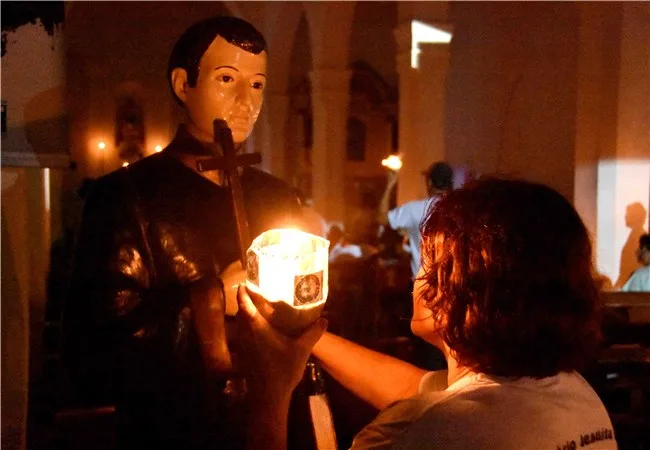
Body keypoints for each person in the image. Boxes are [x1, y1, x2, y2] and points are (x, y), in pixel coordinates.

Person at [62, 16, 301, 450]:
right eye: (227, 78)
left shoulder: (277, 197)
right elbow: (93, 350)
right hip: (173, 428)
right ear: (182, 84)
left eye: (258, 84)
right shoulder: (127, 196)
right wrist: (210, 300)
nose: (245, 101)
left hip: (276, 422)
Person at [236, 177, 617, 449]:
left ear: (456, 290)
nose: (417, 280)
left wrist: (271, 392)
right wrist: (306, 336)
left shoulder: (424, 433)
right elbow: (419, 390)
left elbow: (433, 415)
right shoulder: (572, 390)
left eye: (429, 265)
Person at [378, 161, 454, 278]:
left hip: (424, 285)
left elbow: (382, 218)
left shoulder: (415, 209)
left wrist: (389, 186)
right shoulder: (460, 209)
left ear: (429, 183)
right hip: (454, 283)